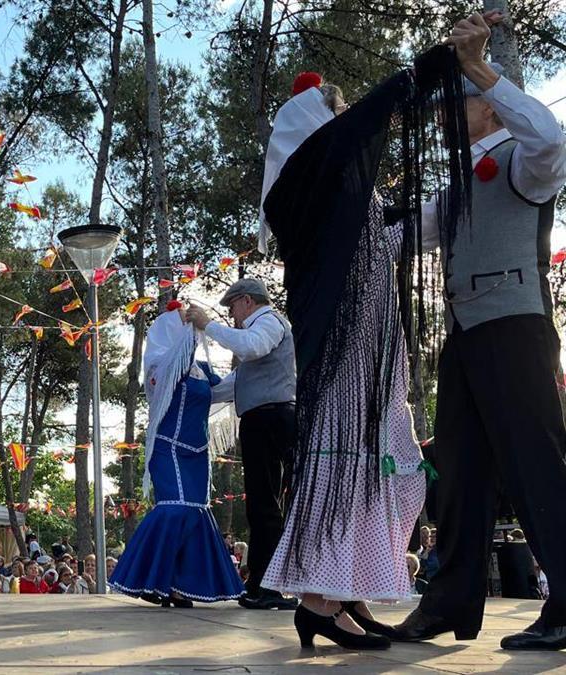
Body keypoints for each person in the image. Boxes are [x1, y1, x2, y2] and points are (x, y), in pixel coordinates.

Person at [385, 13, 566, 652]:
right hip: (465, 336)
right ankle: (449, 602)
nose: (444, 116)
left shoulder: (522, 158)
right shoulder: (453, 186)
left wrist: (480, 70)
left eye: (457, 102)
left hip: (515, 328)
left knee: (535, 464)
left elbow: (551, 135)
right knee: (458, 470)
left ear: (489, 108)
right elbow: (398, 238)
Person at [258, 70, 429, 652]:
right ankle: (316, 602)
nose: (349, 112)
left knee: (378, 462)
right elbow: (350, 137)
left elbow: (389, 234)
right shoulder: (308, 180)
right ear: (316, 121)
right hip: (340, 353)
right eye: (339, 106)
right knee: (342, 465)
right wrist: (408, 81)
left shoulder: (349, 185)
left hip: (375, 351)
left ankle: (348, 593)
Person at [110, 308, 245, 609]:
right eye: (182, 324)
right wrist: (192, 327)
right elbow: (172, 368)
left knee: (196, 514)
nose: (191, 332)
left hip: (197, 453)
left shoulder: (200, 370)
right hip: (167, 448)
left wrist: (254, 362)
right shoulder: (159, 366)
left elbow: (225, 390)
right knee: (176, 511)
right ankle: (151, 580)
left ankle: (178, 586)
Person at [184, 278, 297, 611]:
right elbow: (233, 384)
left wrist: (209, 325)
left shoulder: (269, 323)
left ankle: (270, 586)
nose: (231, 315)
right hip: (263, 420)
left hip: (271, 418)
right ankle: (262, 583)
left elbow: (250, 346)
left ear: (247, 301)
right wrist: (191, 391)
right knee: (261, 504)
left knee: (267, 505)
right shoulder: (258, 334)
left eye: (232, 307)